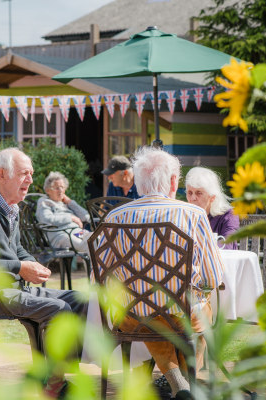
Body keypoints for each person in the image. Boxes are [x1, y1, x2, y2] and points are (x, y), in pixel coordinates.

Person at [0, 148, 87, 399]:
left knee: (79, 300)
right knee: (58, 309)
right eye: (25, 173)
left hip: (9, 288)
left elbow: (17, 249)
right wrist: (20, 268)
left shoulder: (9, 206)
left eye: (32, 174)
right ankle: (53, 385)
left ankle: (53, 376)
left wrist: (30, 263)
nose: (31, 180)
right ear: (2, 175)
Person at [95, 146, 225, 400]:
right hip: (181, 315)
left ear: (139, 181)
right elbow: (212, 278)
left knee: (146, 310)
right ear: (174, 181)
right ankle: (186, 383)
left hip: (132, 315)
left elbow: (99, 277)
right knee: (198, 310)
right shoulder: (194, 215)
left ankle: (178, 384)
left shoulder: (114, 216)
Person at [36, 171, 92, 255]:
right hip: (60, 234)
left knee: (97, 239)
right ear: (48, 190)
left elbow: (86, 217)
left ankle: (97, 267)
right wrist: (71, 218)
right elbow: (46, 219)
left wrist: (70, 202)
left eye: (62, 187)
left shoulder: (65, 203)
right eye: (57, 188)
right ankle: (95, 268)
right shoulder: (44, 202)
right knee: (86, 245)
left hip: (76, 232)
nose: (61, 191)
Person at [185, 167, 240, 250]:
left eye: (198, 193)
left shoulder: (228, 215)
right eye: (190, 193)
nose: (193, 198)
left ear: (212, 197)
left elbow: (228, 245)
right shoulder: (184, 215)